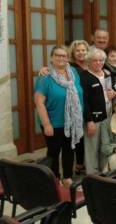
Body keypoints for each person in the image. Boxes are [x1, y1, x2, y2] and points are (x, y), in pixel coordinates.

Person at [34, 45, 83, 188]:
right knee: (54, 152)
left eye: (64, 56)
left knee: (69, 149)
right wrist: (47, 124)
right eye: (58, 55)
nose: (61, 58)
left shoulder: (73, 72)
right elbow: (39, 102)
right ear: (52, 58)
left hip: (71, 121)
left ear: (68, 58)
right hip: (53, 122)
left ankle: (67, 177)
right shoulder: (46, 77)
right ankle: (54, 179)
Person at [81, 48, 116, 174]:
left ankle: (104, 172)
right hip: (93, 119)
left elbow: (110, 91)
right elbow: (83, 101)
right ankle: (92, 175)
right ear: (89, 62)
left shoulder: (107, 73)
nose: (98, 63)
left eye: (101, 60)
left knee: (104, 146)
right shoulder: (84, 77)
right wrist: (89, 121)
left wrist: (114, 93)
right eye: (95, 60)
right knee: (92, 148)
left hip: (108, 116)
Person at [68, 40, 89, 175]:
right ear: (73, 53)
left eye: (83, 50)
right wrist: (45, 69)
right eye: (78, 51)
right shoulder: (69, 67)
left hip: (89, 103)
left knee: (85, 136)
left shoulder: (91, 64)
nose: (81, 53)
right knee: (76, 137)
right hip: (75, 105)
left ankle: (83, 163)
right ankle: (77, 165)